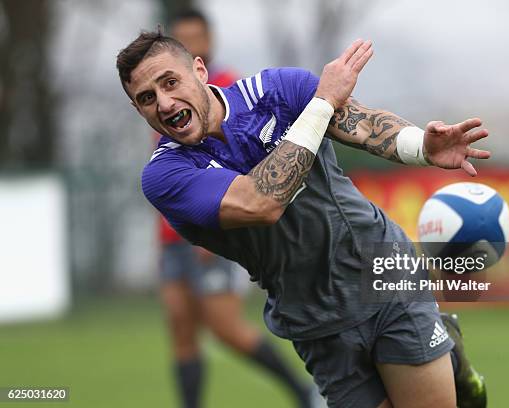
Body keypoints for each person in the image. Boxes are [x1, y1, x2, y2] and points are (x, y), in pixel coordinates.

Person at [117, 28, 490, 407]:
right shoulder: (164, 176)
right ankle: (450, 355)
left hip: (381, 274)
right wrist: (323, 100)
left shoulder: (276, 90)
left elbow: (361, 125)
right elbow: (262, 201)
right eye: (147, 98)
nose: (164, 103)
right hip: (313, 318)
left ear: (199, 70)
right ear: (137, 108)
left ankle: (450, 361)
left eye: (170, 82)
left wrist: (421, 147)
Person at [156, 10, 318, 408]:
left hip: (209, 233)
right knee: (180, 325)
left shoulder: (227, 89)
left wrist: (209, 234)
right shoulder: (164, 100)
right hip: (170, 239)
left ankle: (303, 393)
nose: (193, 45)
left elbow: (239, 172)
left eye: (198, 38)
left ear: (208, 43)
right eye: (183, 39)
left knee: (226, 328)